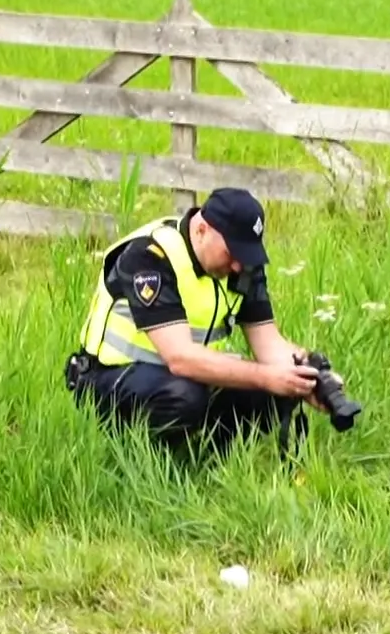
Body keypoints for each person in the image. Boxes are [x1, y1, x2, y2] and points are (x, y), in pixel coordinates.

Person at [64, 187, 328, 456]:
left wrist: (310, 375)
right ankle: (143, 462)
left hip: (184, 378)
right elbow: (181, 358)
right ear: (202, 229)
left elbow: (270, 345)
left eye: (246, 255)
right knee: (188, 394)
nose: (238, 266)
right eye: (232, 252)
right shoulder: (150, 256)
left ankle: (208, 463)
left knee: (280, 385)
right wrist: (267, 376)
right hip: (107, 379)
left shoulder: (241, 266)